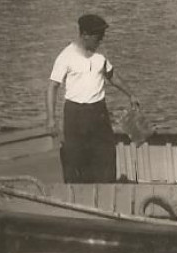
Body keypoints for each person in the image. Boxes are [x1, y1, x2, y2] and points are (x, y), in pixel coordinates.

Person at [46, 14, 139, 183]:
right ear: (85, 35)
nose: (101, 41)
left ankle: (106, 190)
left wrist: (130, 94)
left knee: (106, 153)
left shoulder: (100, 57)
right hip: (75, 113)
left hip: (98, 112)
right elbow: (53, 86)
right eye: (98, 37)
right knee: (76, 156)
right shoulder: (66, 56)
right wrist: (51, 119)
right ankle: (76, 195)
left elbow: (112, 76)